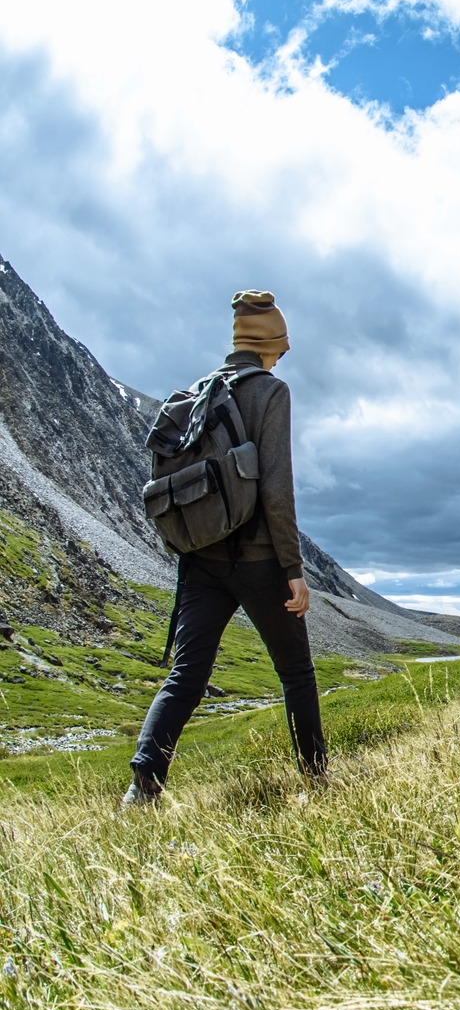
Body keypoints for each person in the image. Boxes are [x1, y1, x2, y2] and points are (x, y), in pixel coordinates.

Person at [123, 292, 323, 806]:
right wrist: (293, 570)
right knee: (297, 673)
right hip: (258, 561)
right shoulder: (270, 392)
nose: (282, 354)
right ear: (268, 344)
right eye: (280, 344)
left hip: (199, 560)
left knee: (186, 675)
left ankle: (142, 790)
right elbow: (277, 488)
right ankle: (318, 782)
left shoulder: (198, 392)